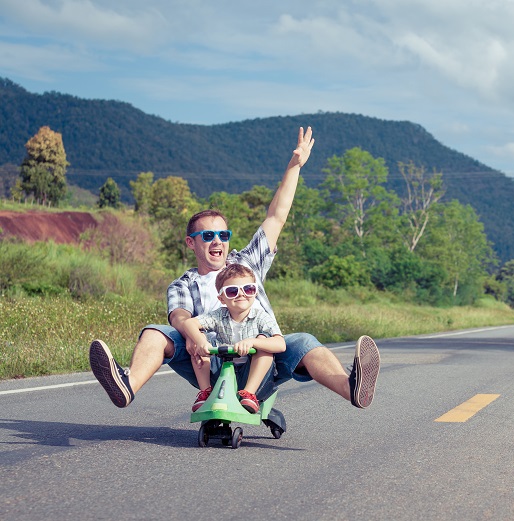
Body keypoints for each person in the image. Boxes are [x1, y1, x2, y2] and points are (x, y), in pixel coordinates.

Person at [89, 126, 380, 414]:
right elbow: (180, 317)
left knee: (303, 341)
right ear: (191, 243)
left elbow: (276, 217)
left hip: (262, 361)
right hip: (210, 362)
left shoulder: (247, 263)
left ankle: (351, 388)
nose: (217, 241)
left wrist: (294, 166)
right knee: (154, 332)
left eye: (223, 235)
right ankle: (127, 385)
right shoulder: (184, 283)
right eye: (208, 236)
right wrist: (197, 339)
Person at [182, 263, 285, 414]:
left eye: (248, 289)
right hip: (223, 370)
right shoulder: (219, 315)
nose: (241, 294)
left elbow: (280, 344)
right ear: (222, 298)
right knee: (199, 347)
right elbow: (190, 323)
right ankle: (206, 393)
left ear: (255, 292)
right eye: (232, 291)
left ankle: (249, 394)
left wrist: (253, 342)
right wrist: (201, 341)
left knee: (265, 346)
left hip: (251, 373)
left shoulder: (260, 317)